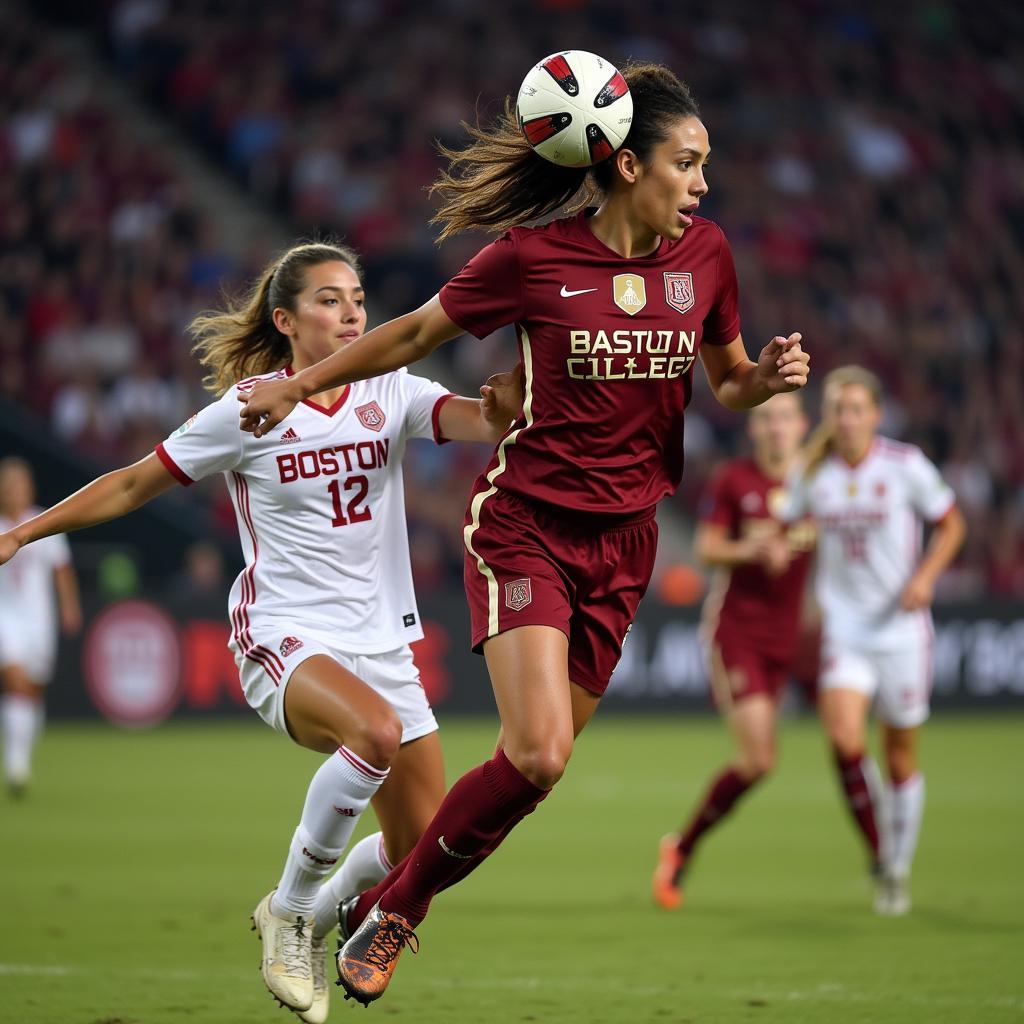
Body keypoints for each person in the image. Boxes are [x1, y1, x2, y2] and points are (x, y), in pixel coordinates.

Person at [236, 63, 811, 1005]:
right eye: (687, 161)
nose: (703, 182)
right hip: (528, 528)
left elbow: (731, 380)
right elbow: (416, 334)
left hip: (629, 543)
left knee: (533, 775)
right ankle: (398, 918)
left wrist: (768, 380)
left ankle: (379, 903)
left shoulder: (706, 255)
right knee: (538, 749)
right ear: (626, 165)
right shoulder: (533, 260)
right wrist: (300, 385)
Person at [0, 241, 522, 1023]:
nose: (351, 312)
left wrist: (507, 409)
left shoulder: (389, 387)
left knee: (427, 846)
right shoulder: (248, 409)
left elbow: (478, 421)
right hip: (284, 635)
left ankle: (316, 913)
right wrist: (21, 534)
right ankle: (290, 908)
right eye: (329, 300)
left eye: (357, 297)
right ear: (285, 320)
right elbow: (136, 481)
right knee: (373, 734)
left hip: (382, 641)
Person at [781, 366, 965, 915]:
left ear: (876, 415)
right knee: (843, 740)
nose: (848, 419)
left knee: (901, 757)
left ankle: (897, 869)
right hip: (847, 629)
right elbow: (790, 528)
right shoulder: (813, 474)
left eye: (857, 409)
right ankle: (881, 847)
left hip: (903, 632)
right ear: (829, 417)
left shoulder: (904, 465)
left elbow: (952, 524)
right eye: (839, 409)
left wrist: (926, 576)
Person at [652, 392, 817, 909]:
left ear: (802, 425)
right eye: (765, 418)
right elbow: (705, 548)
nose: (775, 428)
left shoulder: (817, 486)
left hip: (790, 636)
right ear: (753, 428)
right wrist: (751, 548)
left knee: (830, 740)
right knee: (760, 759)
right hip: (737, 632)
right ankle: (681, 847)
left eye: (784, 418)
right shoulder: (734, 480)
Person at [0, 457, 82, 796]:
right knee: (16, 680)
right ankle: (16, 767)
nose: (16, 491)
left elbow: (61, 570)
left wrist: (69, 607)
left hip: (38, 617)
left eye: (21, 484)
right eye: (10, 486)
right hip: (5, 614)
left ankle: (22, 757)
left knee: (32, 689)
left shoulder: (44, 522)